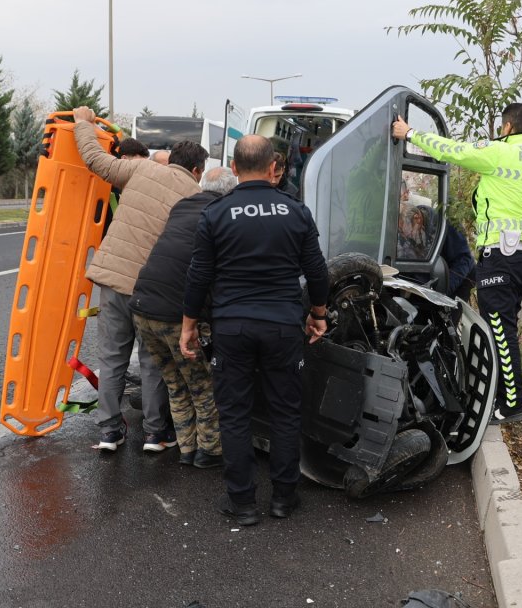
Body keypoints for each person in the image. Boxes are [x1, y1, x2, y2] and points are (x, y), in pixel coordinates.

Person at [392, 103, 522, 423]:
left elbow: (454, 151)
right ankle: (500, 394)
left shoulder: (499, 151)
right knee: (502, 325)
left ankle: (512, 403)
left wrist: (410, 133)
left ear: (507, 127)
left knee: (500, 328)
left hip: (499, 253)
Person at [180, 135, 329, 526]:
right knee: (285, 411)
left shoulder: (216, 213)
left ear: (233, 167)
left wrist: (189, 326)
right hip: (282, 326)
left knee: (234, 414)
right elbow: (316, 271)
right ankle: (283, 498)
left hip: (233, 329)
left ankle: (243, 503)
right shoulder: (296, 212)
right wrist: (319, 313)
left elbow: (199, 276)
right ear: (273, 168)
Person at [71, 106, 204, 453]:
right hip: (151, 291)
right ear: (196, 170)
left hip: (112, 280)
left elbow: (96, 160)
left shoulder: (140, 169)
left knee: (111, 358)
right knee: (150, 361)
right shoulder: (194, 196)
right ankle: (155, 433)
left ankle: (109, 432)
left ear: (170, 157)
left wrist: (83, 125)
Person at [130, 166, 237, 468]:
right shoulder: (222, 214)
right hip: (174, 313)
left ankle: (187, 449)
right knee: (201, 383)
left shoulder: (182, 205)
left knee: (175, 383)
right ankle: (209, 452)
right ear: (230, 191)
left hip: (142, 304)